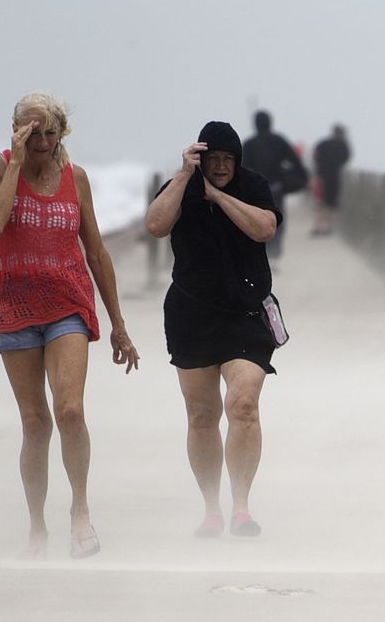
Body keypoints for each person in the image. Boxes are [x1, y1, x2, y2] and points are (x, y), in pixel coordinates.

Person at [0, 92, 140, 560]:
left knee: (70, 411)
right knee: (35, 422)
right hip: (12, 306)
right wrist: (14, 163)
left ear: (62, 132)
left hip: (68, 303)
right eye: (32, 133)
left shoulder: (77, 178)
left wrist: (119, 325)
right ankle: (36, 527)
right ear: (16, 130)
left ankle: (81, 512)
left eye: (50, 132)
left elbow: (96, 252)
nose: (42, 142)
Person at [145, 121, 280, 538]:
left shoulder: (253, 186)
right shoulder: (179, 186)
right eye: (213, 159)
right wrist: (186, 176)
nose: (221, 166)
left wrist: (218, 196)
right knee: (203, 415)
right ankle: (211, 508)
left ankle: (241, 506)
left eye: (227, 159)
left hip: (245, 314)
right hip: (192, 314)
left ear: (237, 161)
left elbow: (264, 228)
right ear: (200, 158)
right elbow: (155, 225)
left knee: (243, 406)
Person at [241, 110, 307, 263]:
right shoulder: (279, 141)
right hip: (277, 188)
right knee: (277, 220)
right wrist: (288, 176)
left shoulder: (250, 144)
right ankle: (274, 255)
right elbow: (296, 162)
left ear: (255, 124)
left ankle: (261, 253)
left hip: (256, 189)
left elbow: (242, 168)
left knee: (256, 220)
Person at [311, 124, 352, 236]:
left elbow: (315, 155)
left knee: (319, 203)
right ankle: (328, 228)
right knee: (331, 204)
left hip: (321, 176)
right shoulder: (344, 145)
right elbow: (346, 159)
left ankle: (318, 227)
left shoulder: (323, 143)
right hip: (334, 177)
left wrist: (320, 164)